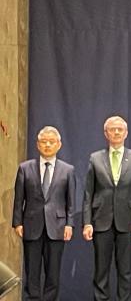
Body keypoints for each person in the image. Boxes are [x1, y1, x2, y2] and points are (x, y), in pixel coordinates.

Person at [82, 116, 131, 301]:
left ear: (126, 133)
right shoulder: (95, 158)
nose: (116, 132)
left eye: (120, 129)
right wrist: (87, 223)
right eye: (112, 129)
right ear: (106, 133)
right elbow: (88, 194)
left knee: (125, 271)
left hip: (128, 222)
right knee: (101, 271)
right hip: (101, 222)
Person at [13, 126, 76, 301]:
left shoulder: (68, 170)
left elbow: (71, 200)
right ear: (38, 145)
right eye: (43, 141)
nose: (47, 145)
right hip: (31, 226)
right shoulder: (25, 168)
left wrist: (69, 224)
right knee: (31, 273)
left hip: (57, 227)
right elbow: (19, 198)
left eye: (51, 141)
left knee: (53, 275)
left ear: (59, 145)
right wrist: (17, 222)